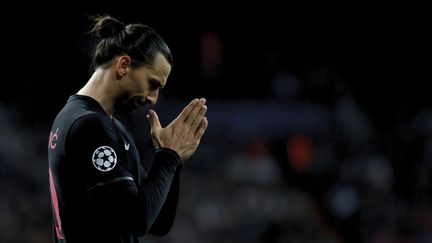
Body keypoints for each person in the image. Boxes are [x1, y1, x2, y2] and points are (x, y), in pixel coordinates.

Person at [47, 14, 208, 243]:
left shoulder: (106, 125)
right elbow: (136, 219)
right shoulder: (89, 126)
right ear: (123, 65)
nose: (153, 99)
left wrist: (173, 159)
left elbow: (158, 221)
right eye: (152, 84)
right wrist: (169, 158)